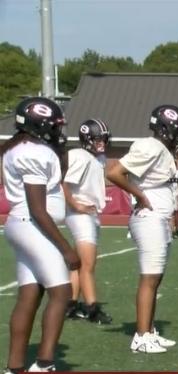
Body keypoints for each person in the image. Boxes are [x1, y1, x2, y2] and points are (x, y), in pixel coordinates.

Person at [1, 97, 79, 374]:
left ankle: (14, 369)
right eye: (54, 126)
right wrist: (66, 247)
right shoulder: (34, 152)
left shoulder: (18, 149)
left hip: (21, 226)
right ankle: (44, 365)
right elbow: (37, 208)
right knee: (61, 293)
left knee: (29, 296)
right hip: (33, 226)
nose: (59, 131)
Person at [106, 104, 178, 354]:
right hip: (149, 218)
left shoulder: (159, 149)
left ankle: (149, 330)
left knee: (156, 277)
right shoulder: (150, 146)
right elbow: (115, 173)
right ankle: (141, 336)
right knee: (149, 277)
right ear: (167, 128)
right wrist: (140, 196)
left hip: (158, 218)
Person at [63, 118, 113, 324]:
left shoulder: (98, 158)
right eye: (97, 139)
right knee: (88, 263)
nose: (101, 142)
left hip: (89, 214)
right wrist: (76, 205)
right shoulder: (80, 156)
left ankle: (71, 304)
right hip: (81, 215)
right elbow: (63, 183)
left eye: (103, 139)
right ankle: (93, 308)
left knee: (78, 264)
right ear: (86, 139)